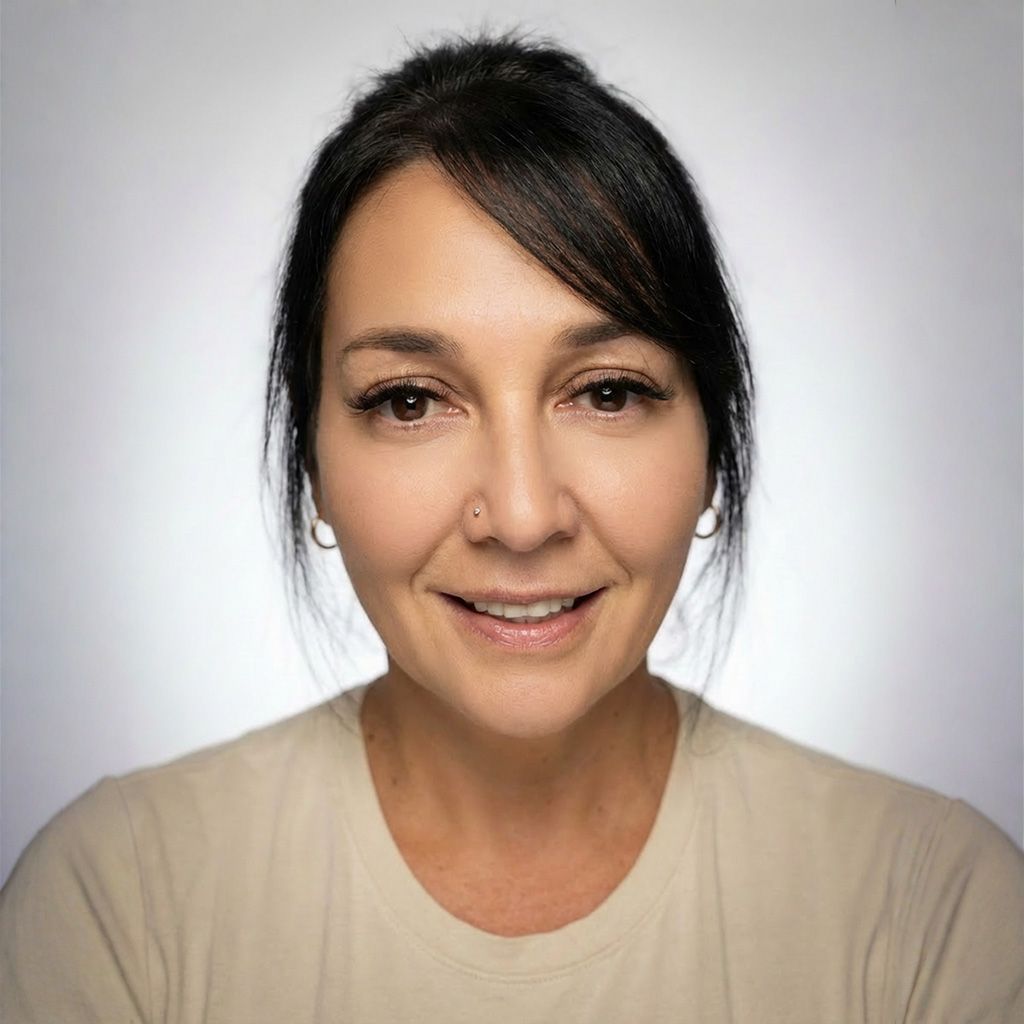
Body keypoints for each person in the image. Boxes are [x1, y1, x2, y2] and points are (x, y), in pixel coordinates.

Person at [2, 29, 1022, 1023]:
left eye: (608, 392)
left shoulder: (934, 910)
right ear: (312, 458)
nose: (524, 517)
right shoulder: (117, 906)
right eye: (410, 401)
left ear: (712, 436)